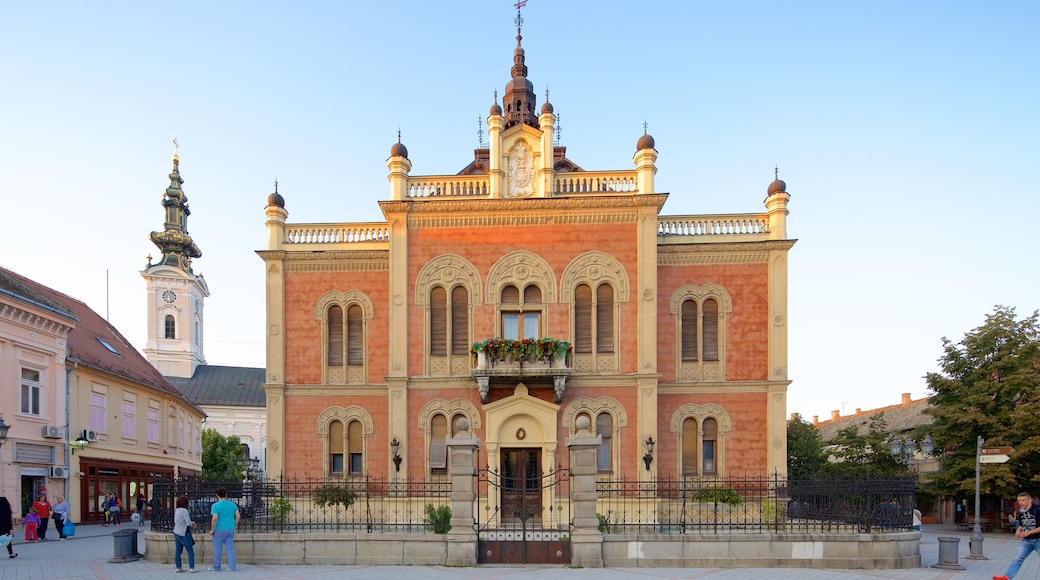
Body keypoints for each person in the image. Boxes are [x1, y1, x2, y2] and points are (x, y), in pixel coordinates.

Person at [993, 491, 1040, 580]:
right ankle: (1007, 577)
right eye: (1019, 501)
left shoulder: (1037, 509)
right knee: (1018, 559)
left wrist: (1028, 532)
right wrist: (1018, 531)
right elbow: (1022, 524)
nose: (1021, 502)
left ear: (1030, 500)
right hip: (1026, 540)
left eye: (1023, 500)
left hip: (1038, 539)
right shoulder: (1021, 511)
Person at [208, 487, 240, 572]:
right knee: (230, 548)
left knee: (218, 549)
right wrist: (234, 525)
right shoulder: (233, 504)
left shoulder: (215, 506)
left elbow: (214, 518)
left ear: (216, 495)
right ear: (226, 494)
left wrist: (212, 529)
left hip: (219, 529)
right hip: (230, 528)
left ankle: (216, 566)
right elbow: (238, 516)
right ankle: (232, 567)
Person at [173, 496, 198, 573]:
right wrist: (193, 523)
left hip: (176, 531)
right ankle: (192, 568)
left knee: (178, 550)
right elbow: (188, 523)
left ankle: (178, 567)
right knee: (190, 550)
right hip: (183, 533)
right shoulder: (184, 511)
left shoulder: (177, 510)